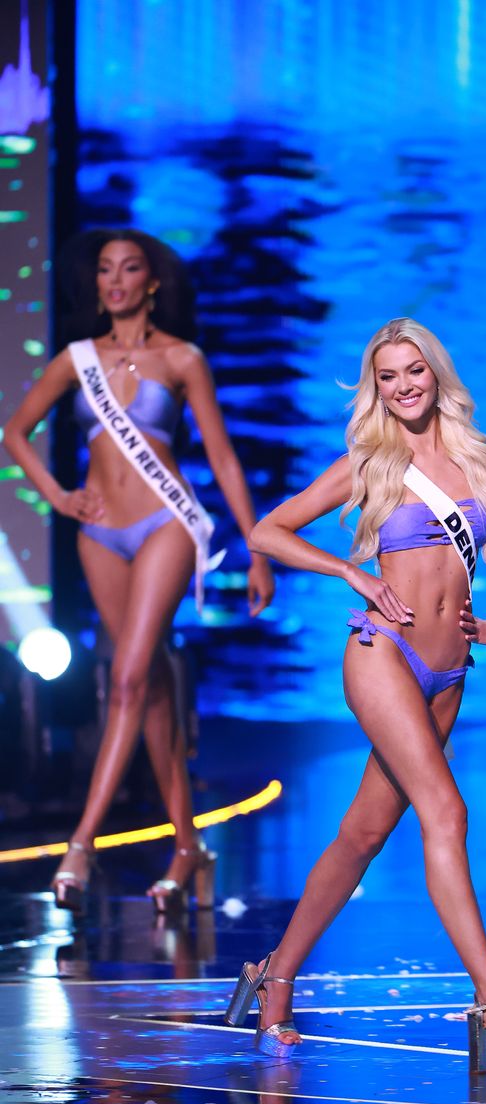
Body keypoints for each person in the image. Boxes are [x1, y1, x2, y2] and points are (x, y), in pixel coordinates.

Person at [225, 317, 486, 1076]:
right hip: (382, 653)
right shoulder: (371, 460)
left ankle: (274, 977)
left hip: (449, 675)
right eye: (388, 376)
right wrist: (349, 572)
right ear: (376, 387)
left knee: (362, 835)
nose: (404, 386)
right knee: (447, 813)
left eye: (414, 370)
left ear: (436, 373)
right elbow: (267, 532)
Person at [4, 229, 274, 913]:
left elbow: (223, 458)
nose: (116, 280)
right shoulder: (77, 359)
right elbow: (14, 432)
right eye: (105, 270)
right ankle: (187, 847)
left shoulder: (182, 358)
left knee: (126, 679)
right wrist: (57, 496)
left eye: (129, 269)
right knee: (146, 684)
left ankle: (81, 845)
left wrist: (259, 548)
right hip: (99, 533)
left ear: (152, 282)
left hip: (166, 524)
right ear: (96, 284)